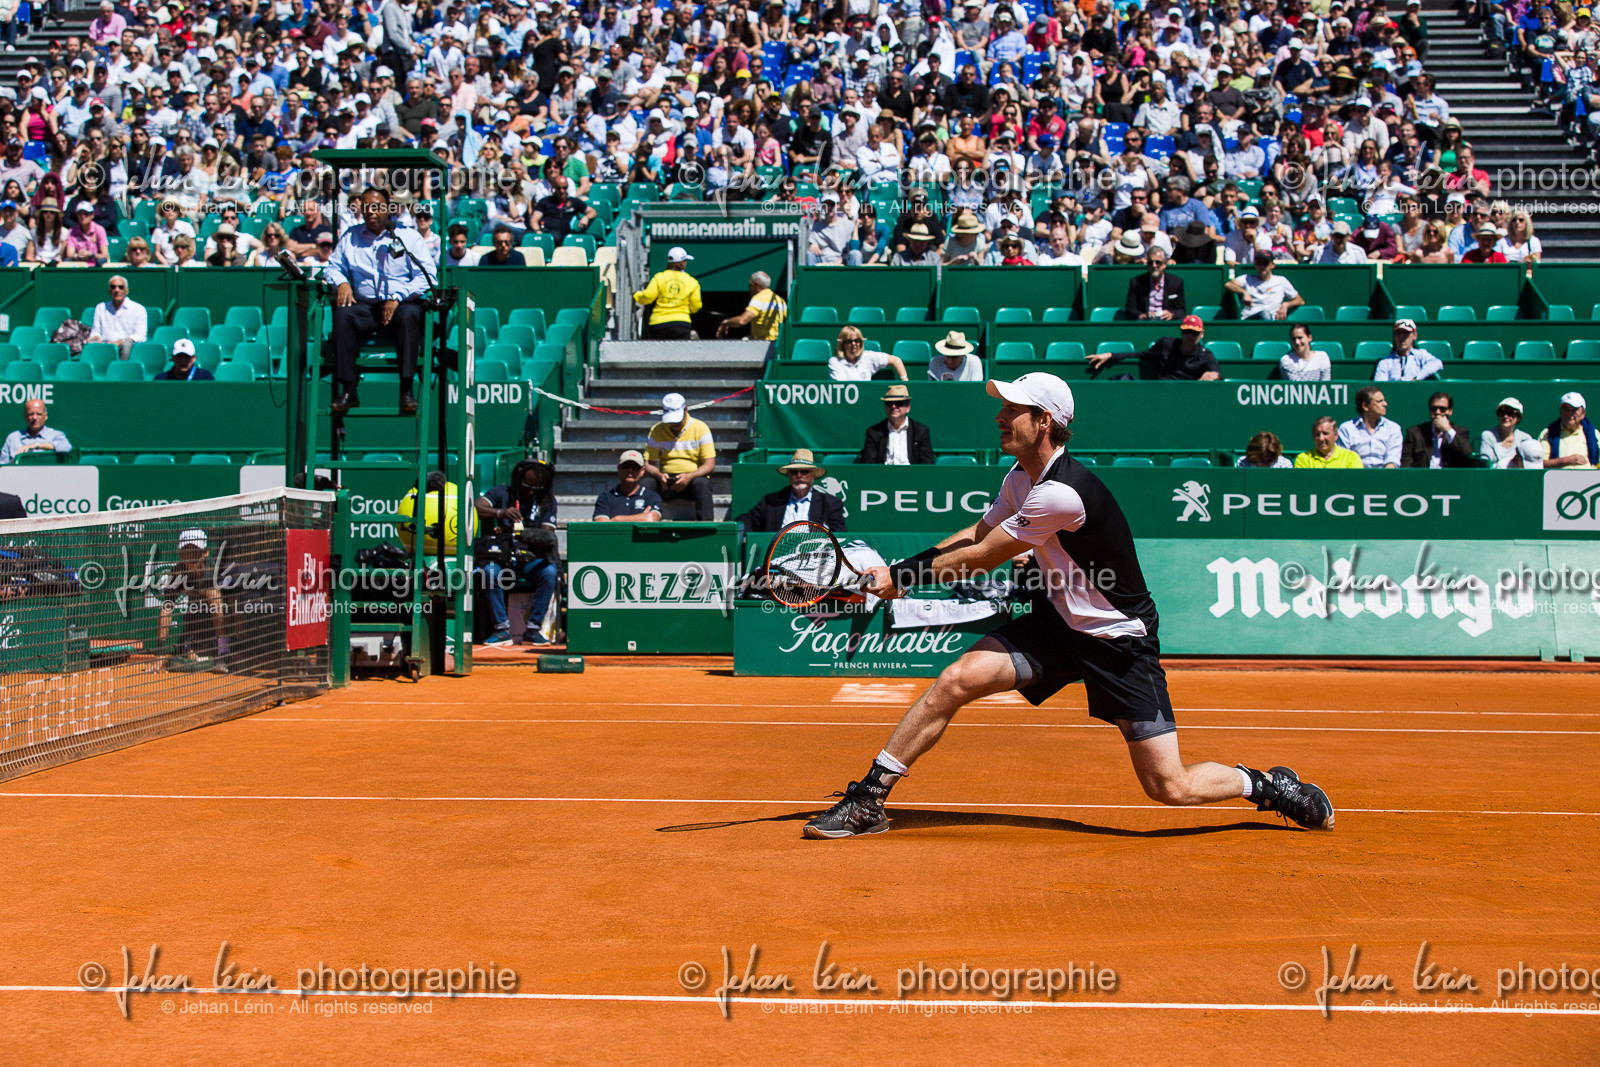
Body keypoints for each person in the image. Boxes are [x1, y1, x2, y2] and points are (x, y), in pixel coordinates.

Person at [803, 371, 1334, 839]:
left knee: (1168, 786)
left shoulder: (1061, 493)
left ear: (1045, 421)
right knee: (956, 680)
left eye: (1012, 411)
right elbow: (976, 532)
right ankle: (868, 798)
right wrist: (900, 570)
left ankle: (1264, 784)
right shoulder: (1019, 479)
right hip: (1059, 626)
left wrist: (900, 579)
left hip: (1117, 640)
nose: (1000, 418)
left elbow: (984, 557)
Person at [324, 187, 437, 416]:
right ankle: (348, 389)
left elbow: (428, 277)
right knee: (343, 315)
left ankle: (406, 389)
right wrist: (342, 283)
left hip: (400, 305)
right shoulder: (351, 236)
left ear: (388, 209)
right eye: (365, 207)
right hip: (365, 307)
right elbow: (332, 267)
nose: (370, 212)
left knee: (409, 315)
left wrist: (398, 297)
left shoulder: (408, 237)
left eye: (376, 206)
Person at [473, 460, 560, 646]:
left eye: (536, 488)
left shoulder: (547, 500)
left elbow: (547, 535)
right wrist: (501, 513)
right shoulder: (502, 492)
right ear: (518, 480)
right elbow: (476, 507)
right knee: (489, 572)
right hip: (504, 560)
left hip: (531, 560)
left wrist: (517, 532)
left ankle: (533, 629)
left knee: (550, 572)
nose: (531, 492)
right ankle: (502, 629)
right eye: (527, 487)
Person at [733, 449, 847, 533]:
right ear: (789, 476)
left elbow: (840, 534)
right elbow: (745, 521)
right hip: (776, 555)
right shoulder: (770, 502)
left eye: (804, 472)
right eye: (794, 472)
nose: (799, 476)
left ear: (813, 476)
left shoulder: (830, 503)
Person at [643, 392, 716, 520]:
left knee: (702, 484)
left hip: (692, 480)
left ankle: (706, 527)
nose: (674, 424)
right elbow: (648, 464)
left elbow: (709, 464)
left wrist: (690, 476)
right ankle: (644, 524)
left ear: (686, 410)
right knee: (647, 483)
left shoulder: (701, 428)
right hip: (666, 481)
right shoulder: (657, 430)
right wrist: (659, 476)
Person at [155, 528, 224, 661]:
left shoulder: (213, 570)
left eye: (195, 552)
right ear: (181, 553)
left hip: (223, 628)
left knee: (212, 594)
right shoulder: (177, 572)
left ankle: (224, 652)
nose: (191, 557)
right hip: (194, 629)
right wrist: (160, 653)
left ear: (205, 553)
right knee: (191, 658)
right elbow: (167, 608)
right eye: (187, 552)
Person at [1087, 315, 1220, 381]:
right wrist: (1111, 355)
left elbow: (1218, 373)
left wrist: (1213, 375)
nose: (1190, 336)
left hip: (1188, 396)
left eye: (1195, 333)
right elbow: (1140, 355)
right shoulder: (1166, 343)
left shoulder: (1206, 354)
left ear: (1201, 334)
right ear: (1181, 332)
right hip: (1162, 391)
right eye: (1186, 332)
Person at [632, 246, 702, 340]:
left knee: (658, 354)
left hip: (658, 324)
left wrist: (636, 295)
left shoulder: (659, 278)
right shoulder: (692, 282)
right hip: (681, 323)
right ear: (683, 262)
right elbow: (696, 306)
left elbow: (648, 297)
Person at [858, 384, 934, 465]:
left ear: (908, 407)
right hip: (883, 475)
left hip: (912, 476)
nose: (893, 406)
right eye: (889, 403)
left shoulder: (921, 431)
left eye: (899, 403)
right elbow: (869, 464)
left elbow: (927, 463)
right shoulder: (874, 433)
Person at [1401, 392, 1474, 468]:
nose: (1437, 412)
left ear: (1450, 411)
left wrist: (1448, 430)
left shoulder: (1460, 431)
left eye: (1442, 409)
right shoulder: (1415, 432)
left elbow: (1467, 451)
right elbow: (1406, 463)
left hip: (1450, 477)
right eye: (1434, 409)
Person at [1226, 251, 1304, 321]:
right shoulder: (1247, 279)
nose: (1262, 266)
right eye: (1259, 263)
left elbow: (1300, 300)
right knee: (1264, 314)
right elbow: (1228, 284)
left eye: (1265, 263)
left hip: (1272, 321)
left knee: (1266, 314)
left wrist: (1286, 304)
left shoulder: (1281, 281)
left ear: (1272, 265)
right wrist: (1244, 292)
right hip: (1249, 320)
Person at [1337, 387, 1403, 468]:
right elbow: (1343, 460)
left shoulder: (1393, 428)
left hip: (1385, 476)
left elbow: (1392, 460)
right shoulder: (1346, 429)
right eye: (1379, 401)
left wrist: (1385, 477)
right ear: (1365, 406)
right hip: (1355, 476)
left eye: (1384, 400)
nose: (1385, 404)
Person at [87, 274, 147, 360]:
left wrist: (120, 342)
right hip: (105, 344)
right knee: (91, 343)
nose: (117, 290)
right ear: (109, 290)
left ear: (127, 291)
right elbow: (96, 330)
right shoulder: (100, 307)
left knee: (127, 345)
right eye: (113, 287)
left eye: (120, 287)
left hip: (126, 344)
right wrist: (96, 337)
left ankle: (123, 368)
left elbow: (140, 335)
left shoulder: (138, 309)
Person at [591, 449, 662, 521]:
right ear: (619, 468)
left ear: (642, 471)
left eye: (635, 467)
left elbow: (652, 518)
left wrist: (616, 519)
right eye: (626, 466)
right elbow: (601, 523)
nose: (630, 471)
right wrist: (641, 517)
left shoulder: (651, 496)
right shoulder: (606, 497)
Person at [715, 271, 787, 340]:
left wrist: (726, 322)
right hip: (778, 344)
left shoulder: (758, 299)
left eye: (750, 284)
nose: (749, 287)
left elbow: (742, 321)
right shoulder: (780, 300)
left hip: (763, 346)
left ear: (756, 284)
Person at [1478, 397, 1544, 469]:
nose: (1505, 416)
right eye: (1502, 413)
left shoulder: (1525, 438)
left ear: (1518, 417)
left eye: (1510, 413)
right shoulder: (1487, 436)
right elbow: (1486, 465)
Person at [1540, 392, 1600, 470]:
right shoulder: (1548, 433)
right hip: (1557, 480)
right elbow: (1540, 463)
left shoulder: (1594, 434)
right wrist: (1567, 460)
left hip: (1589, 480)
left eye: (1574, 410)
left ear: (1583, 413)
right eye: (1565, 409)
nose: (1569, 414)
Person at [1122, 247, 1185, 321]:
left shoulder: (1176, 282)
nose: (1154, 265)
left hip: (1166, 324)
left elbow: (1181, 311)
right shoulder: (1137, 282)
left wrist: (1171, 314)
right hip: (1145, 325)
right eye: (1150, 263)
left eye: (1158, 262)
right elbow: (1130, 309)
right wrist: (1143, 316)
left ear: (1164, 264)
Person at [0, 399, 71, 464]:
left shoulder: (55, 435)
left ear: (45, 416)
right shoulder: (13, 438)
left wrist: (35, 446)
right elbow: (3, 465)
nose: (34, 418)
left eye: (39, 414)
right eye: (31, 414)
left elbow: (65, 447)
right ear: (25, 416)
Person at [829, 326, 908, 382]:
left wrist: (905, 381)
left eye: (857, 341)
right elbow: (842, 388)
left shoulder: (867, 356)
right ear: (842, 344)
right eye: (849, 341)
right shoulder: (835, 362)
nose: (854, 344)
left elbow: (896, 360)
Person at [1372, 319, 1441, 382]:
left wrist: (1417, 378)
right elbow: (1380, 385)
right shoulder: (1385, 363)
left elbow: (1437, 363)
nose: (1401, 337)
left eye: (1406, 333)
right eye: (1398, 333)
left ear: (1414, 336)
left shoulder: (1421, 355)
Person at [1294, 416, 1364, 468]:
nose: (1321, 438)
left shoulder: (1351, 458)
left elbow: (1356, 484)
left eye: (1325, 433)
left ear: (1336, 435)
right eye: (1317, 434)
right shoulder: (1303, 459)